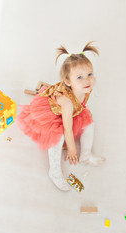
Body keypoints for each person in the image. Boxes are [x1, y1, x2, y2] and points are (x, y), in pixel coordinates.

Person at [17, 41, 106, 191]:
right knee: (57, 138)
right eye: (80, 77)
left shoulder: (86, 87)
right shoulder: (67, 103)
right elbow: (67, 128)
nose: (87, 80)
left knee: (89, 123)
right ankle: (55, 172)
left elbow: (82, 103)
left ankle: (85, 155)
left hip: (71, 111)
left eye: (90, 74)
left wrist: (83, 112)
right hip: (53, 113)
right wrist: (71, 148)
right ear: (67, 81)